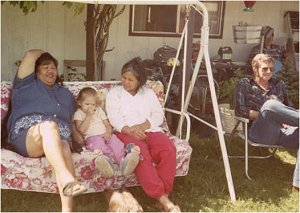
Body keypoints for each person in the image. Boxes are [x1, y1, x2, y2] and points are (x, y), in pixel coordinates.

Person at [7, 49, 87, 211]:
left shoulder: (65, 94)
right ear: (35, 72)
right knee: (49, 126)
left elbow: (70, 121)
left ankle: (67, 210)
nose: (51, 70)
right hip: (29, 137)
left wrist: (77, 135)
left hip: (58, 140)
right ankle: (66, 178)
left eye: (53, 67)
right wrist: (46, 52)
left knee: (64, 145)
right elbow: (30, 54)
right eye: (45, 67)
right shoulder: (25, 84)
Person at [106, 57, 181, 212]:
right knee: (140, 155)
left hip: (150, 128)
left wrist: (142, 126)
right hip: (125, 131)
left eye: (130, 80)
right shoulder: (115, 94)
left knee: (168, 149)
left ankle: (163, 194)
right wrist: (131, 130)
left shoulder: (148, 93)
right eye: (124, 78)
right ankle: (165, 202)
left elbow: (158, 115)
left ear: (139, 81)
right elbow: (114, 118)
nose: (126, 82)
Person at [234, 53, 299, 191]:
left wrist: (285, 118)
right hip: (259, 132)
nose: (269, 72)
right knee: (270, 105)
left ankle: (297, 186)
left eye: (271, 68)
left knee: (273, 106)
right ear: (255, 68)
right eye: (265, 68)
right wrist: (268, 114)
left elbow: (288, 108)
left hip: (282, 132)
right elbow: (241, 111)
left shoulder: (279, 84)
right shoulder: (244, 84)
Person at [73, 87, 140, 177]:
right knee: (100, 148)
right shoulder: (79, 113)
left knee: (117, 145)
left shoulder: (99, 110)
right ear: (79, 103)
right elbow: (81, 130)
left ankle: (124, 162)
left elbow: (107, 124)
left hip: (106, 134)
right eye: (87, 104)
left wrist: (108, 132)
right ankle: (107, 165)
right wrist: (88, 116)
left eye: (93, 104)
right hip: (92, 137)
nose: (90, 107)